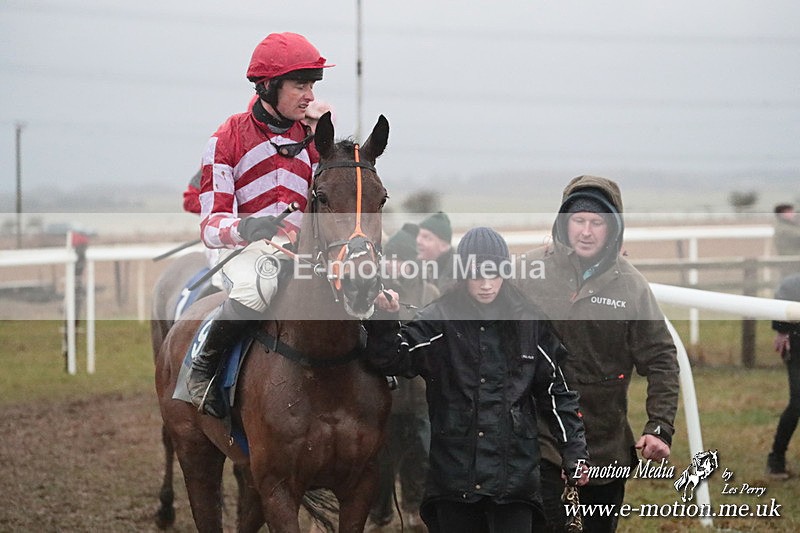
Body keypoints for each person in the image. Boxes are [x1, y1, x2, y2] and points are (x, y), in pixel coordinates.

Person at [368, 226, 590, 533]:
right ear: (463, 275)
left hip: (514, 481)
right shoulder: (439, 320)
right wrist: (384, 320)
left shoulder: (529, 322)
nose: (486, 285)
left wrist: (574, 451)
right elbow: (393, 358)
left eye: (494, 274)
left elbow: (557, 393)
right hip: (454, 479)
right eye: (477, 275)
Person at [517, 175, 679, 533]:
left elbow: (662, 359)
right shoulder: (526, 272)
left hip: (604, 447)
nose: (586, 231)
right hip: (537, 442)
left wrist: (659, 428)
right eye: (578, 220)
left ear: (613, 230)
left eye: (597, 222)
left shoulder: (632, 287)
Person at [187, 32, 333, 418]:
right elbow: (211, 224)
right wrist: (249, 228)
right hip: (246, 251)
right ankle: (203, 371)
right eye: (300, 85)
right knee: (258, 285)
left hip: (305, 252)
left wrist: (328, 139)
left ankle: (383, 368)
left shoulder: (314, 136)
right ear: (268, 86)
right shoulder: (225, 139)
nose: (309, 95)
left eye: (312, 85)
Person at [368, 223, 439, 532]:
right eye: (392, 257)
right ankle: (379, 514)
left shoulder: (430, 294)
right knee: (381, 465)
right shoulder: (375, 297)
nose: (397, 265)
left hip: (422, 399)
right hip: (386, 402)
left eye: (404, 258)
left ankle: (413, 512)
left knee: (421, 460)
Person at [766, 273, 800, 478]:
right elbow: (783, 303)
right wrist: (782, 330)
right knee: (797, 402)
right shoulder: (792, 284)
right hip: (797, 348)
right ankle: (776, 458)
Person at [417, 212, 456, 292]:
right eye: (417, 235)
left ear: (444, 246)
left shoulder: (458, 275)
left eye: (426, 237)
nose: (418, 241)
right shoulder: (415, 267)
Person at [773, 204, 800, 278]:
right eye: (789, 212)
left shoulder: (790, 226)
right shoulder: (783, 229)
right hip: (791, 263)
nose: (793, 214)